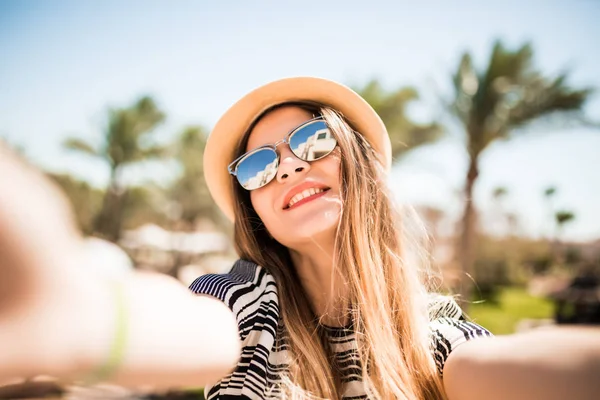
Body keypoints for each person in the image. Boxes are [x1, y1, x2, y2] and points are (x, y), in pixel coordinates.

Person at [0, 77, 599, 400]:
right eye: (258, 165)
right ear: (254, 206)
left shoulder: (432, 335)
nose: (286, 167)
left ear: (358, 164)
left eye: (313, 140)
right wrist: (85, 319)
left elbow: (497, 368)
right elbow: (197, 332)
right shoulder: (238, 304)